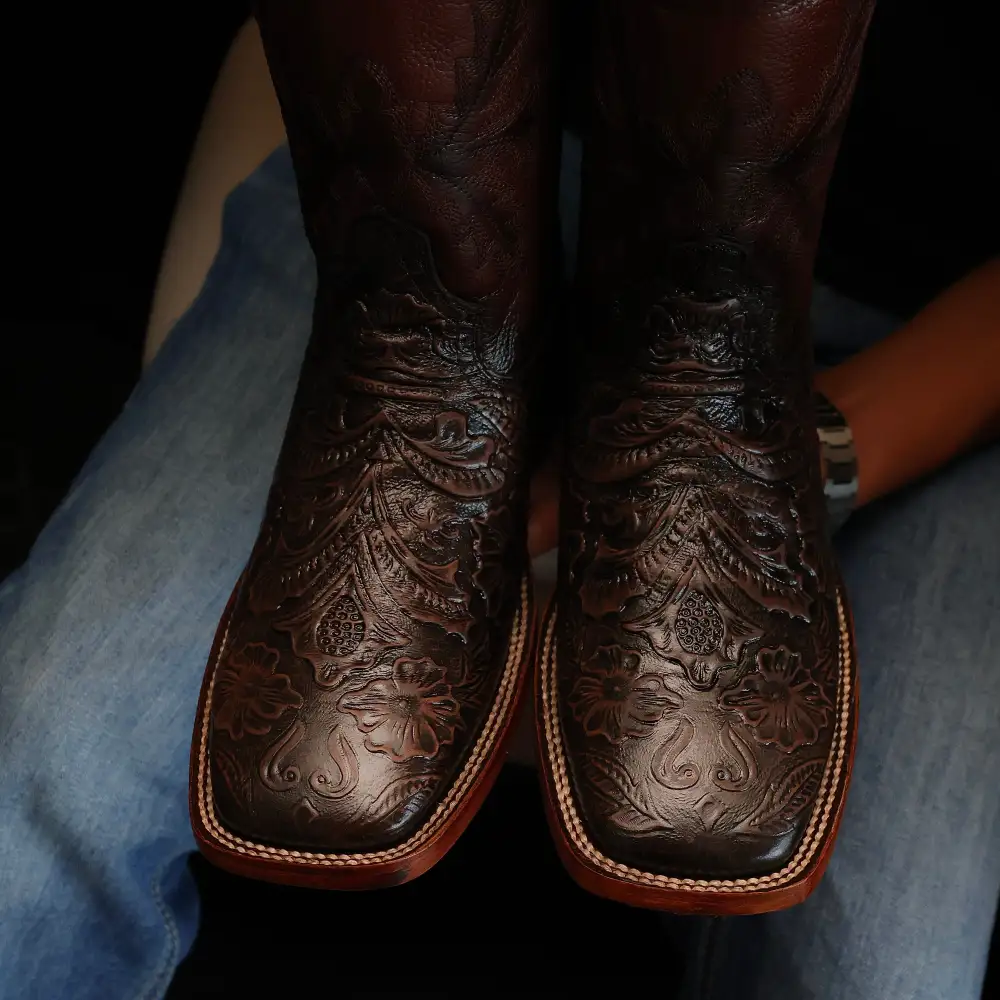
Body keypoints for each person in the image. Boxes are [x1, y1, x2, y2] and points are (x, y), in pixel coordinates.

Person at [2, 8, 999, 1000]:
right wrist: (441, 372)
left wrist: (814, 437)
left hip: (935, 312)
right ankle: (439, 355)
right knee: (38, 764)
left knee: (878, 975)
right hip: (434, 230)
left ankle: (685, 356)